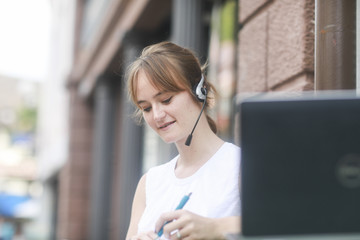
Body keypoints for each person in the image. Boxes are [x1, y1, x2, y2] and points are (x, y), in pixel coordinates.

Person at [125, 41, 241, 240]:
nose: (157, 115)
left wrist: (215, 229)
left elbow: (282, 228)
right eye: (146, 108)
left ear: (199, 90)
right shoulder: (149, 183)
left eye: (166, 99)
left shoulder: (241, 165)